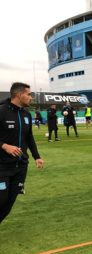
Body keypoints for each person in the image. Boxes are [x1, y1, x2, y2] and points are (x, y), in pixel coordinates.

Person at [0, 82, 44, 223]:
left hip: (21, 166)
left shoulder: (26, 114)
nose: (31, 97)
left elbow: (29, 137)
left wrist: (37, 156)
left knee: (10, 201)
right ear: (19, 95)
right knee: (2, 199)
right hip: (2, 166)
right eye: (29, 94)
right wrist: (4, 146)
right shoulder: (1, 111)